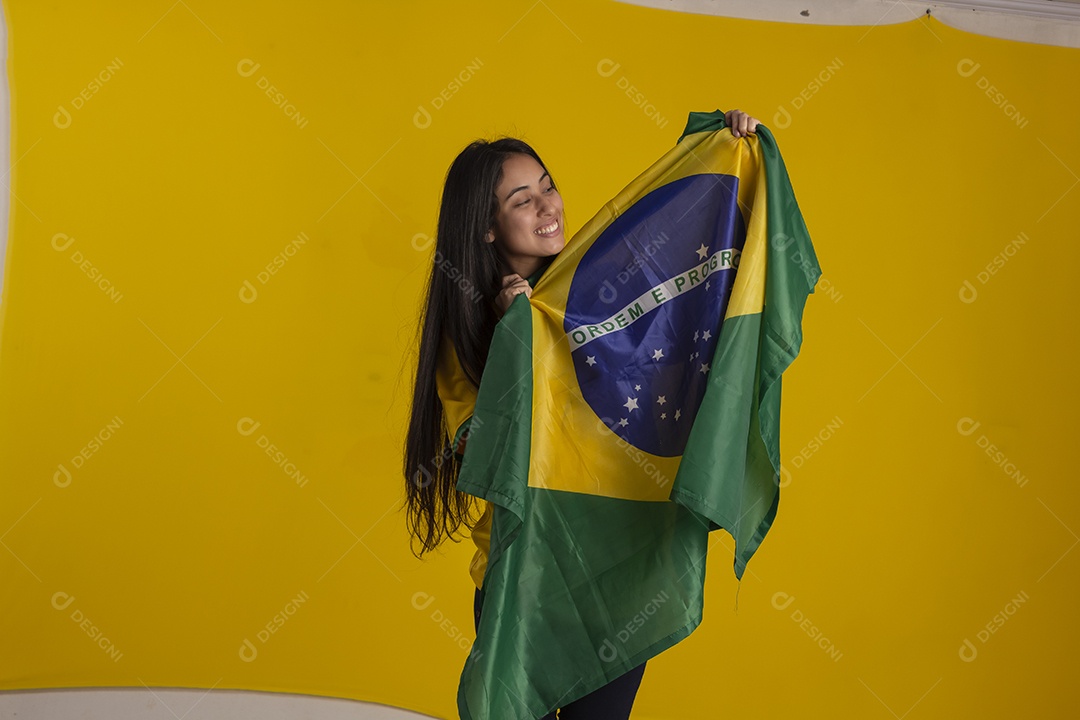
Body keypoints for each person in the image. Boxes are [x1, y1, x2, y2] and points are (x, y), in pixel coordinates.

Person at [404, 109, 762, 719]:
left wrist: (720, 142)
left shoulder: (601, 286)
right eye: (523, 200)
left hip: (614, 575)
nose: (549, 207)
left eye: (549, 185)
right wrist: (511, 340)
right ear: (487, 229)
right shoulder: (468, 325)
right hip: (527, 577)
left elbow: (680, 254)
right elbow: (478, 451)